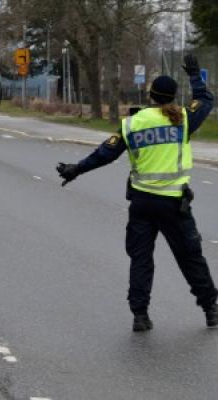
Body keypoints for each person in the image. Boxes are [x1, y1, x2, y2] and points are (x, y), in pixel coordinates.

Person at [57, 55, 218, 332]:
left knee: (141, 260)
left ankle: (140, 316)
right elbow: (205, 99)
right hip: (174, 204)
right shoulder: (183, 119)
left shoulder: (132, 123)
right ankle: (211, 310)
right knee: (190, 257)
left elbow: (105, 154)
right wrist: (194, 75)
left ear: (150, 96)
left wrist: (76, 169)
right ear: (173, 97)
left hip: (142, 203)